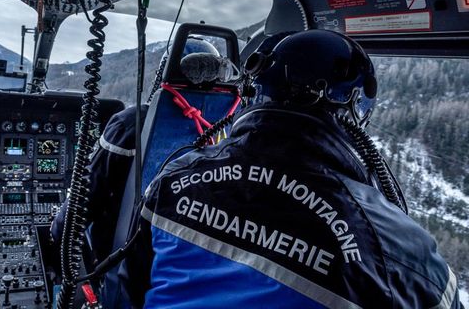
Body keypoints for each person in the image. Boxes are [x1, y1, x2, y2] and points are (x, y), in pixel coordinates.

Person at [122, 30, 462, 308]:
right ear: (356, 113)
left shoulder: (175, 177)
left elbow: (128, 289)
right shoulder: (398, 247)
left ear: (255, 92)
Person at [50, 37, 222, 264]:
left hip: (123, 256)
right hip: (186, 254)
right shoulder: (223, 126)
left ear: (164, 72)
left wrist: (56, 231)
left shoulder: (132, 122)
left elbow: (90, 192)